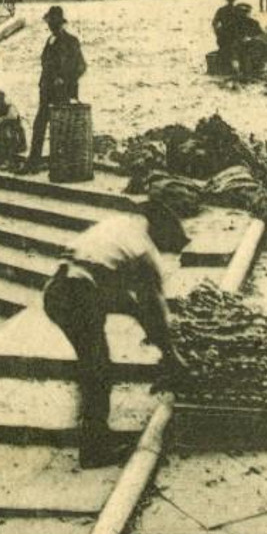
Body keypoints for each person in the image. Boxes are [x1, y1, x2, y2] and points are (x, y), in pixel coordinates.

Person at [42, 195, 189, 468]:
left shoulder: (118, 226)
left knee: (93, 362)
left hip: (57, 290)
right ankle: (94, 450)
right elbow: (153, 305)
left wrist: (154, 334)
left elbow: (132, 303)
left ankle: (93, 430)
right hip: (78, 292)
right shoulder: (143, 248)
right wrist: (170, 354)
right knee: (98, 368)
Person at [26, 6, 86, 173]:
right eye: (49, 23)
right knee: (39, 125)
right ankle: (34, 161)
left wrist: (64, 80)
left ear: (60, 23)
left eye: (54, 23)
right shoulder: (50, 40)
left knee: (61, 128)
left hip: (63, 92)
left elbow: (81, 66)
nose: (51, 26)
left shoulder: (71, 41)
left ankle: (61, 164)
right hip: (46, 90)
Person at [210, 0, 241, 73]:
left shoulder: (221, 10)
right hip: (234, 37)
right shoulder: (237, 10)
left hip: (223, 36)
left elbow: (214, 23)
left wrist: (218, 32)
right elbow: (242, 24)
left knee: (224, 51)